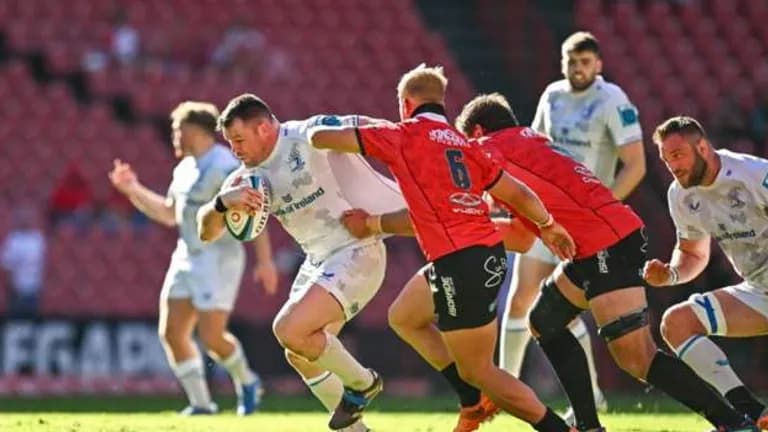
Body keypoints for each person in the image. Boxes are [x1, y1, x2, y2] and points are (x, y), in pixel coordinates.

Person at [344, 93, 758, 432]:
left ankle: (732, 422)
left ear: (476, 132)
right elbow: (523, 235)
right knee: (545, 319)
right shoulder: (532, 141)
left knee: (636, 357)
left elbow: (456, 210)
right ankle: (587, 425)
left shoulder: (484, 150)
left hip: (605, 244)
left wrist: (390, 225)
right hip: (600, 240)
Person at [310, 64, 580, 432]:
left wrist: (354, 127)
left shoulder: (401, 135)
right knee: (404, 316)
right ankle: (472, 401)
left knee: (480, 370)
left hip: (461, 263)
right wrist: (548, 225)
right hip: (479, 254)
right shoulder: (465, 145)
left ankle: (556, 428)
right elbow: (517, 193)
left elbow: (321, 138)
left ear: (406, 104)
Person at [196, 94, 406, 432]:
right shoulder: (245, 179)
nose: (234, 150)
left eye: (238, 140)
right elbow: (206, 232)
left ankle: (364, 383)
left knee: (288, 329)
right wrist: (221, 203)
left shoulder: (307, 135)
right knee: (300, 353)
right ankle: (357, 431)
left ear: (263, 128)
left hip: (357, 249)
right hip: (318, 259)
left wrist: (415, 145)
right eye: (230, 142)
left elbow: (368, 127)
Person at [501, 31, 647, 421]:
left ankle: (591, 395)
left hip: (585, 224)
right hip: (546, 214)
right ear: (562, 63)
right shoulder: (552, 95)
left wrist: (602, 208)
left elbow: (636, 164)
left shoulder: (612, 99)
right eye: (571, 61)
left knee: (564, 309)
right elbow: (533, 148)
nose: (578, 68)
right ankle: (503, 391)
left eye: (585, 62)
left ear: (598, 64)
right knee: (521, 298)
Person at [109, 101, 276, 415]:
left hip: (218, 257)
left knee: (212, 337)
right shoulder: (185, 169)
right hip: (186, 254)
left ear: (197, 131)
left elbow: (255, 211)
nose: (174, 136)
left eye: (178, 130)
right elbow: (169, 214)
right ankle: (201, 404)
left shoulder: (225, 166)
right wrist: (133, 189)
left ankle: (248, 380)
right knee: (172, 333)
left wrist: (265, 261)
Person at [644, 115, 768, 429]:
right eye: (666, 160)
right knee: (677, 324)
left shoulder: (755, 174)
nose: (672, 166)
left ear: (702, 148)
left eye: (677, 155)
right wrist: (670, 274)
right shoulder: (681, 195)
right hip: (759, 291)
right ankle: (752, 414)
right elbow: (693, 253)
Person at [1, 204, 46, 319]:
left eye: (28, 218)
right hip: (17, 287)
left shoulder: (38, 239)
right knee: (16, 319)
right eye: (23, 218)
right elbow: (7, 266)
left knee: (32, 318)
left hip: (36, 287)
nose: (26, 221)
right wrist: (10, 286)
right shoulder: (13, 240)